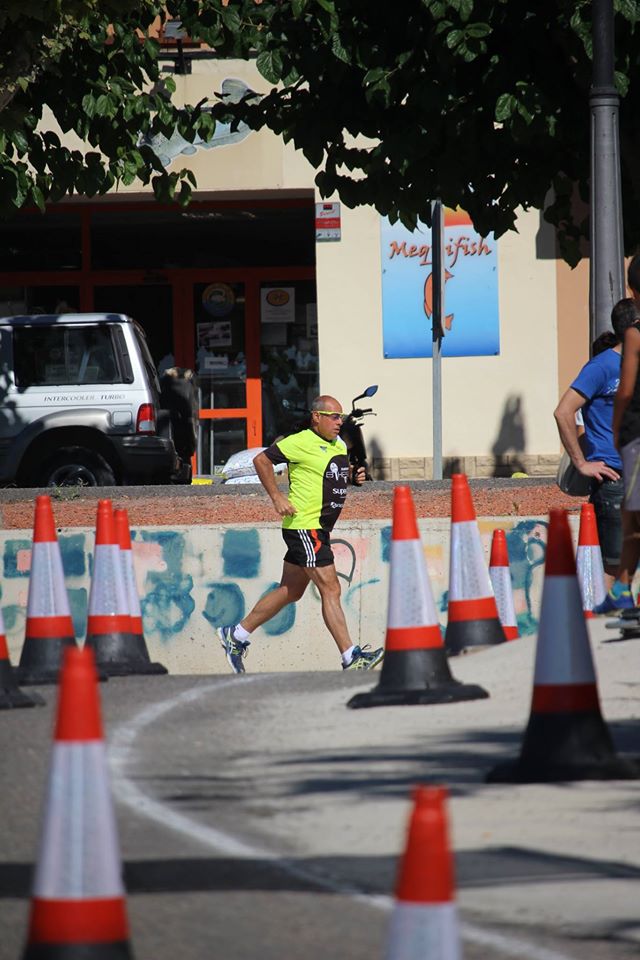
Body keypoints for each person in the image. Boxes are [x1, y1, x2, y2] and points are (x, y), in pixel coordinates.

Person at [217, 395, 384, 673]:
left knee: (291, 590)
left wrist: (353, 476)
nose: (339, 422)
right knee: (331, 588)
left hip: (319, 529)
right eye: (334, 417)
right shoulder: (300, 441)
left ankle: (235, 635)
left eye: (341, 417)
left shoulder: (338, 444)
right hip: (305, 526)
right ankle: (351, 658)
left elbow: (331, 476)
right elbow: (261, 460)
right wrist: (276, 497)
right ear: (316, 417)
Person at [554, 300, 638, 586]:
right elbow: (563, 412)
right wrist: (581, 463)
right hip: (615, 481)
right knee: (615, 568)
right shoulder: (601, 367)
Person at [594, 281, 640, 612]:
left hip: (635, 437)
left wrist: (617, 432)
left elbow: (625, 392)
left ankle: (621, 590)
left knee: (632, 519)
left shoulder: (635, 335)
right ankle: (621, 590)